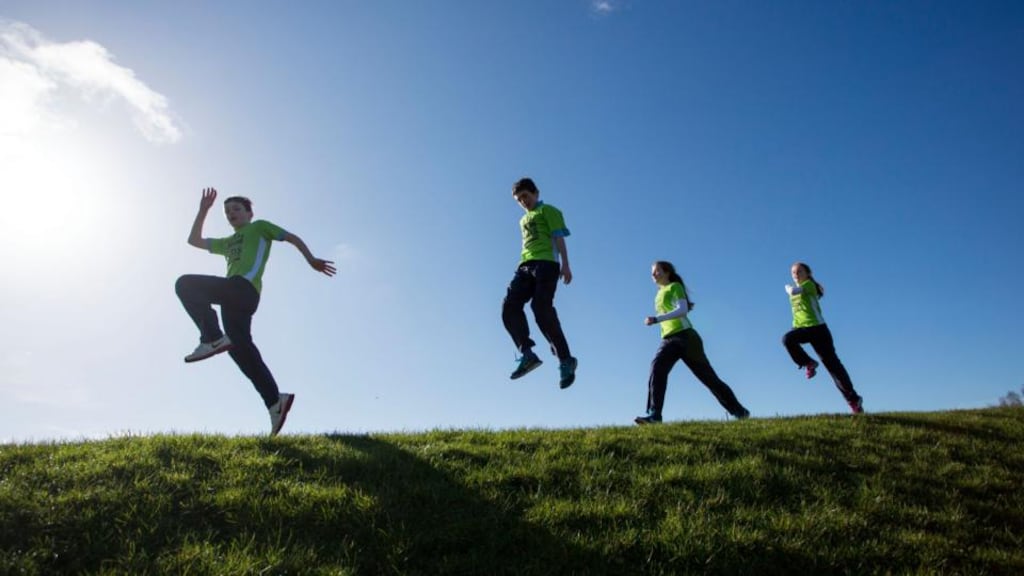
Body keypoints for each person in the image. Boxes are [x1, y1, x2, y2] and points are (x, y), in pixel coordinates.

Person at [175, 188, 336, 436]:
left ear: (249, 213)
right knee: (241, 352)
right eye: (227, 212)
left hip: (243, 289)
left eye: (236, 209)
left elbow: (292, 238)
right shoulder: (228, 242)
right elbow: (194, 241)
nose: (231, 214)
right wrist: (203, 210)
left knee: (185, 284)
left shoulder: (259, 227)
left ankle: (211, 337)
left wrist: (311, 259)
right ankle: (275, 401)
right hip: (233, 301)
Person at [635, 261, 750, 424]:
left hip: (685, 338)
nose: (653, 275)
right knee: (657, 368)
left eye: (657, 271)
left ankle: (740, 412)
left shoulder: (674, 287)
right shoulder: (658, 294)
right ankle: (655, 415)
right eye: (652, 272)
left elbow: (682, 310)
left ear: (667, 272)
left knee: (709, 379)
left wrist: (656, 319)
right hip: (668, 338)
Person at [501, 177, 578, 389]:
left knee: (541, 308)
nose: (523, 201)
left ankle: (565, 359)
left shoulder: (549, 211)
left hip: (547, 265)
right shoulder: (522, 220)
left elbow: (559, 238)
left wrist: (565, 264)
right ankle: (527, 354)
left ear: (535, 193)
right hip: (525, 265)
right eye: (519, 200)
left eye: (525, 196)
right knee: (509, 307)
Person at [783, 261, 864, 414]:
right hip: (801, 327)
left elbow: (794, 291)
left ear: (807, 274)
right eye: (793, 273)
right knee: (787, 339)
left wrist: (787, 288)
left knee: (833, 366)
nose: (796, 275)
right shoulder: (796, 290)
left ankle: (854, 400)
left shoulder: (808, 286)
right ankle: (809, 363)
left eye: (799, 271)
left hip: (818, 329)